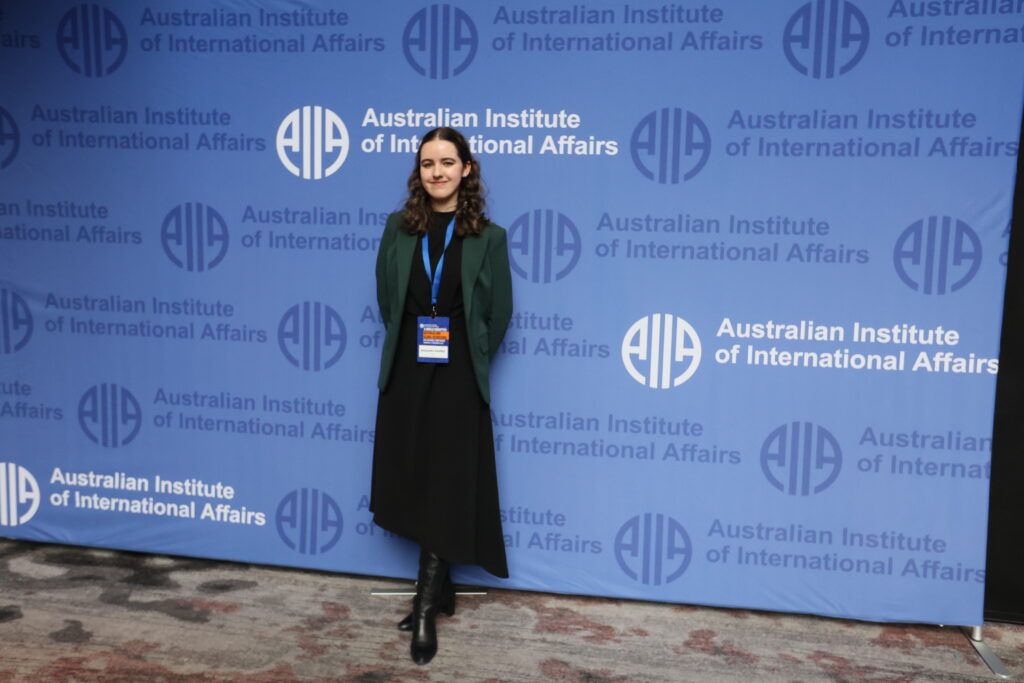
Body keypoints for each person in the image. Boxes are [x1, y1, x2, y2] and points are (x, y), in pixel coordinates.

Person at [370, 127, 513, 665]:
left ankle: (426, 605)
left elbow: (500, 312)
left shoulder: (488, 237)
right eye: (428, 163)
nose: (438, 172)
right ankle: (443, 590)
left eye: (448, 162)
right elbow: (387, 299)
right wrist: (414, 340)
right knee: (414, 473)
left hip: (457, 373)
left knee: (447, 479)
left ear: (466, 169)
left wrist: (471, 357)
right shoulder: (398, 228)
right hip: (408, 366)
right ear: (419, 172)